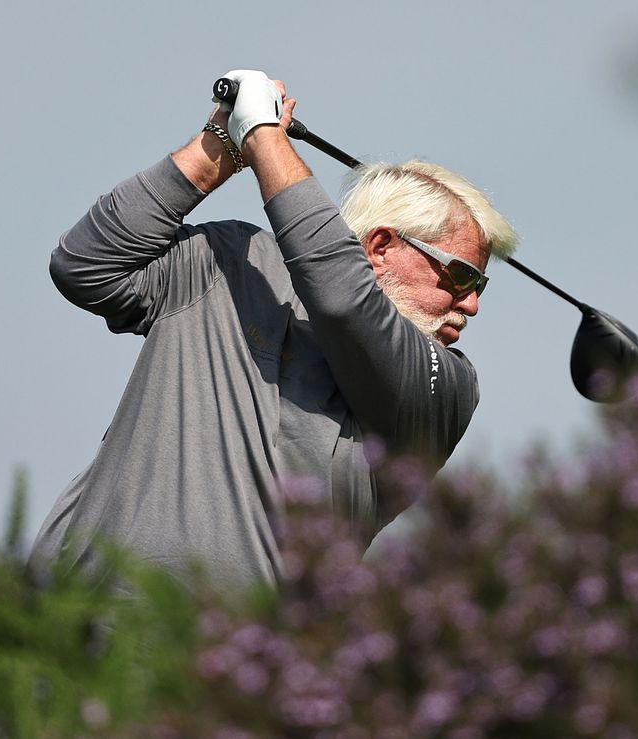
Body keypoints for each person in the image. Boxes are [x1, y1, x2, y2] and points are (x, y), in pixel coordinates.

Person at [30, 71, 517, 591]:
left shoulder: (447, 389)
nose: (471, 303)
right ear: (379, 248)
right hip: (65, 630)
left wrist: (264, 136)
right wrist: (218, 144)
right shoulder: (231, 263)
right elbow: (84, 265)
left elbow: (343, 299)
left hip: (225, 665)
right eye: (463, 275)